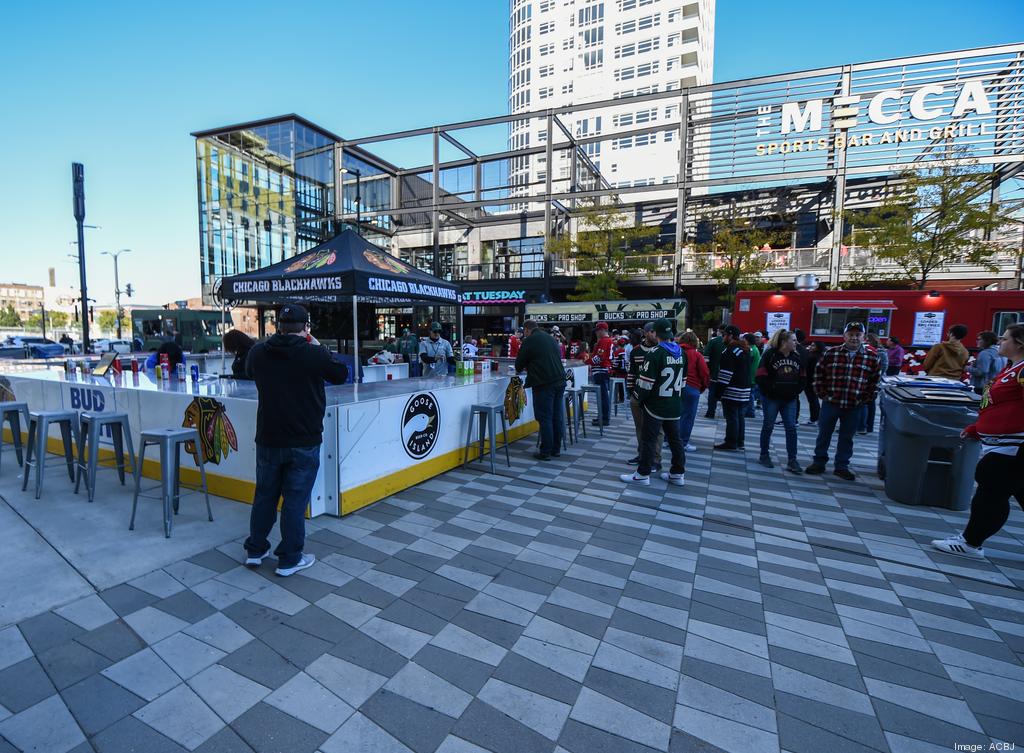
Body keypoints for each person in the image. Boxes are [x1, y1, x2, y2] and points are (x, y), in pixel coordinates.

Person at [244, 304, 347, 576]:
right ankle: (289, 558)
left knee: (264, 495)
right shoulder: (314, 353)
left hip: (268, 438)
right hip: (303, 440)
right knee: (294, 500)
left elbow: (247, 371)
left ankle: (256, 550)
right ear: (306, 328)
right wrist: (315, 344)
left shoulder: (258, 352)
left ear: (278, 326)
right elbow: (340, 375)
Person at [932, 324, 1024, 558]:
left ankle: (971, 543)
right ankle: (970, 540)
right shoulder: (1012, 368)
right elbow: (995, 404)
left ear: (1019, 343)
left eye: (1004, 339)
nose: (1000, 343)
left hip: (1012, 448)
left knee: (990, 495)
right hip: (999, 444)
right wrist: (977, 428)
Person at [805, 321, 883, 481]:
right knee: (823, 434)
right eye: (851, 334)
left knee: (847, 437)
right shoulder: (831, 353)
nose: (854, 338)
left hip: (854, 405)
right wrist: (822, 394)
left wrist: (865, 399)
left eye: (858, 334)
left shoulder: (872, 356)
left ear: (864, 337)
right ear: (844, 336)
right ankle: (819, 462)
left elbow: (875, 381)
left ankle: (841, 466)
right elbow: (818, 375)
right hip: (831, 403)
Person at [621, 318, 687, 486]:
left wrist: (638, 398)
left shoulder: (655, 353)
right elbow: (684, 381)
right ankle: (677, 473)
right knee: (675, 440)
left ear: (656, 333)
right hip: (674, 403)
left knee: (648, 439)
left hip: (655, 405)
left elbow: (645, 383)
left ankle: (643, 474)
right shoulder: (681, 353)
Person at [515, 320, 566, 461]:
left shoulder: (529, 340)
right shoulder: (550, 338)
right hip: (560, 381)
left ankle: (545, 451)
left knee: (545, 417)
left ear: (526, 330)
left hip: (544, 382)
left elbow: (518, 365)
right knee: (556, 416)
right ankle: (556, 449)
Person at [756, 329, 805, 473]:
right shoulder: (770, 355)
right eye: (793, 340)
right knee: (768, 425)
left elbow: (803, 377)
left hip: (790, 399)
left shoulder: (797, 356)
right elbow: (760, 376)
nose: (796, 343)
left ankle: (792, 459)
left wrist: (796, 391)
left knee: (791, 428)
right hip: (772, 398)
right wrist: (769, 391)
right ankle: (764, 455)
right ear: (784, 342)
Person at [626, 325, 661, 468]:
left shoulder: (662, 350)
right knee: (640, 427)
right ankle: (642, 455)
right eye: (652, 332)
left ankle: (656, 459)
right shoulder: (636, 351)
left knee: (657, 429)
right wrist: (631, 392)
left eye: (656, 332)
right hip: (638, 395)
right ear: (645, 333)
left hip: (655, 397)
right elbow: (632, 373)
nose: (655, 335)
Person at [714, 325, 751, 451]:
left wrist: (718, 393)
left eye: (724, 335)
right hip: (745, 389)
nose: (723, 337)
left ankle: (731, 442)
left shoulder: (729, 351)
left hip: (733, 390)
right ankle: (740, 441)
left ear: (730, 336)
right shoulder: (745, 350)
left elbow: (725, 375)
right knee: (740, 416)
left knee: (731, 417)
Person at [677, 331, 709, 453]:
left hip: (675, 387)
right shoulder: (696, 355)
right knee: (688, 416)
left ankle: (668, 440)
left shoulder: (675, 352)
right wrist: (703, 387)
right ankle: (683, 442)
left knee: (675, 416)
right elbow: (704, 373)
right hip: (692, 387)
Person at [857, 333, 887, 434]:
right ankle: (867, 426)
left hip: (871, 381)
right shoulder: (880, 351)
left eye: (867, 341)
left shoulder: (877, 352)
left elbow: (882, 367)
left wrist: (876, 378)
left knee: (865, 404)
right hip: (873, 380)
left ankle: (863, 426)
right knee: (869, 404)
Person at [589, 321, 614, 426]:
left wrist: (587, 362)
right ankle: (603, 417)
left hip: (601, 370)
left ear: (603, 330)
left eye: (597, 330)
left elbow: (599, 357)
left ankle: (604, 418)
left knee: (602, 396)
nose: (596, 333)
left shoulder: (604, 341)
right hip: (604, 370)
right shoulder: (609, 340)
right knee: (603, 395)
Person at [969, 330, 1006, 395]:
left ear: (987, 341)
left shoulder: (985, 353)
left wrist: (966, 368)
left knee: (981, 404)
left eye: (979, 339)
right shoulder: (1001, 352)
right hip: (996, 386)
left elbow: (981, 371)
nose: (977, 341)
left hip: (983, 388)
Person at [703, 328, 725, 418]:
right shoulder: (734, 343)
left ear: (719, 331)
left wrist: (708, 371)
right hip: (728, 375)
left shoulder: (713, 341)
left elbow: (706, 357)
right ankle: (726, 414)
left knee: (712, 393)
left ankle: (711, 412)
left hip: (714, 373)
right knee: (725, 393)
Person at [744, 333, 762, 418]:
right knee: (750, 393)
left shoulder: (751, 350)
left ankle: (750, 411)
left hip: (750, 376)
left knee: (750, 394)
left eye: (744, 339)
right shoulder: (754, 348)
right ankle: (750, 410)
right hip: (753, 375)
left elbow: (747, 362)